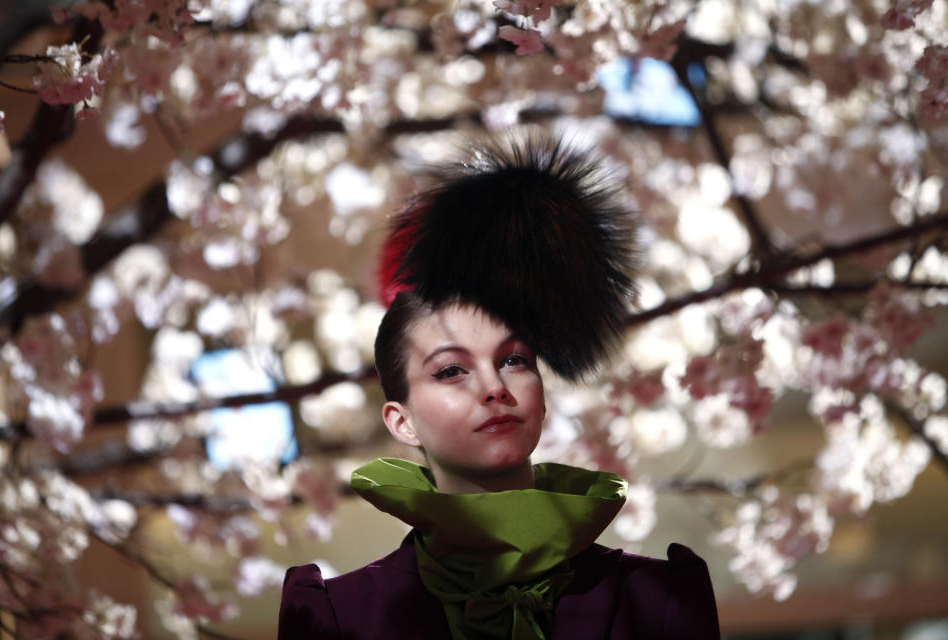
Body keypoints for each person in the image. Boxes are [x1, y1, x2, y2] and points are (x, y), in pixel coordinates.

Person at [278, 133, 722, 639]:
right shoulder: (339, 616)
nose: (493, 387)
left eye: (513, 360)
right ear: (401, 421)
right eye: (450, 370)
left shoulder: (658, 599)